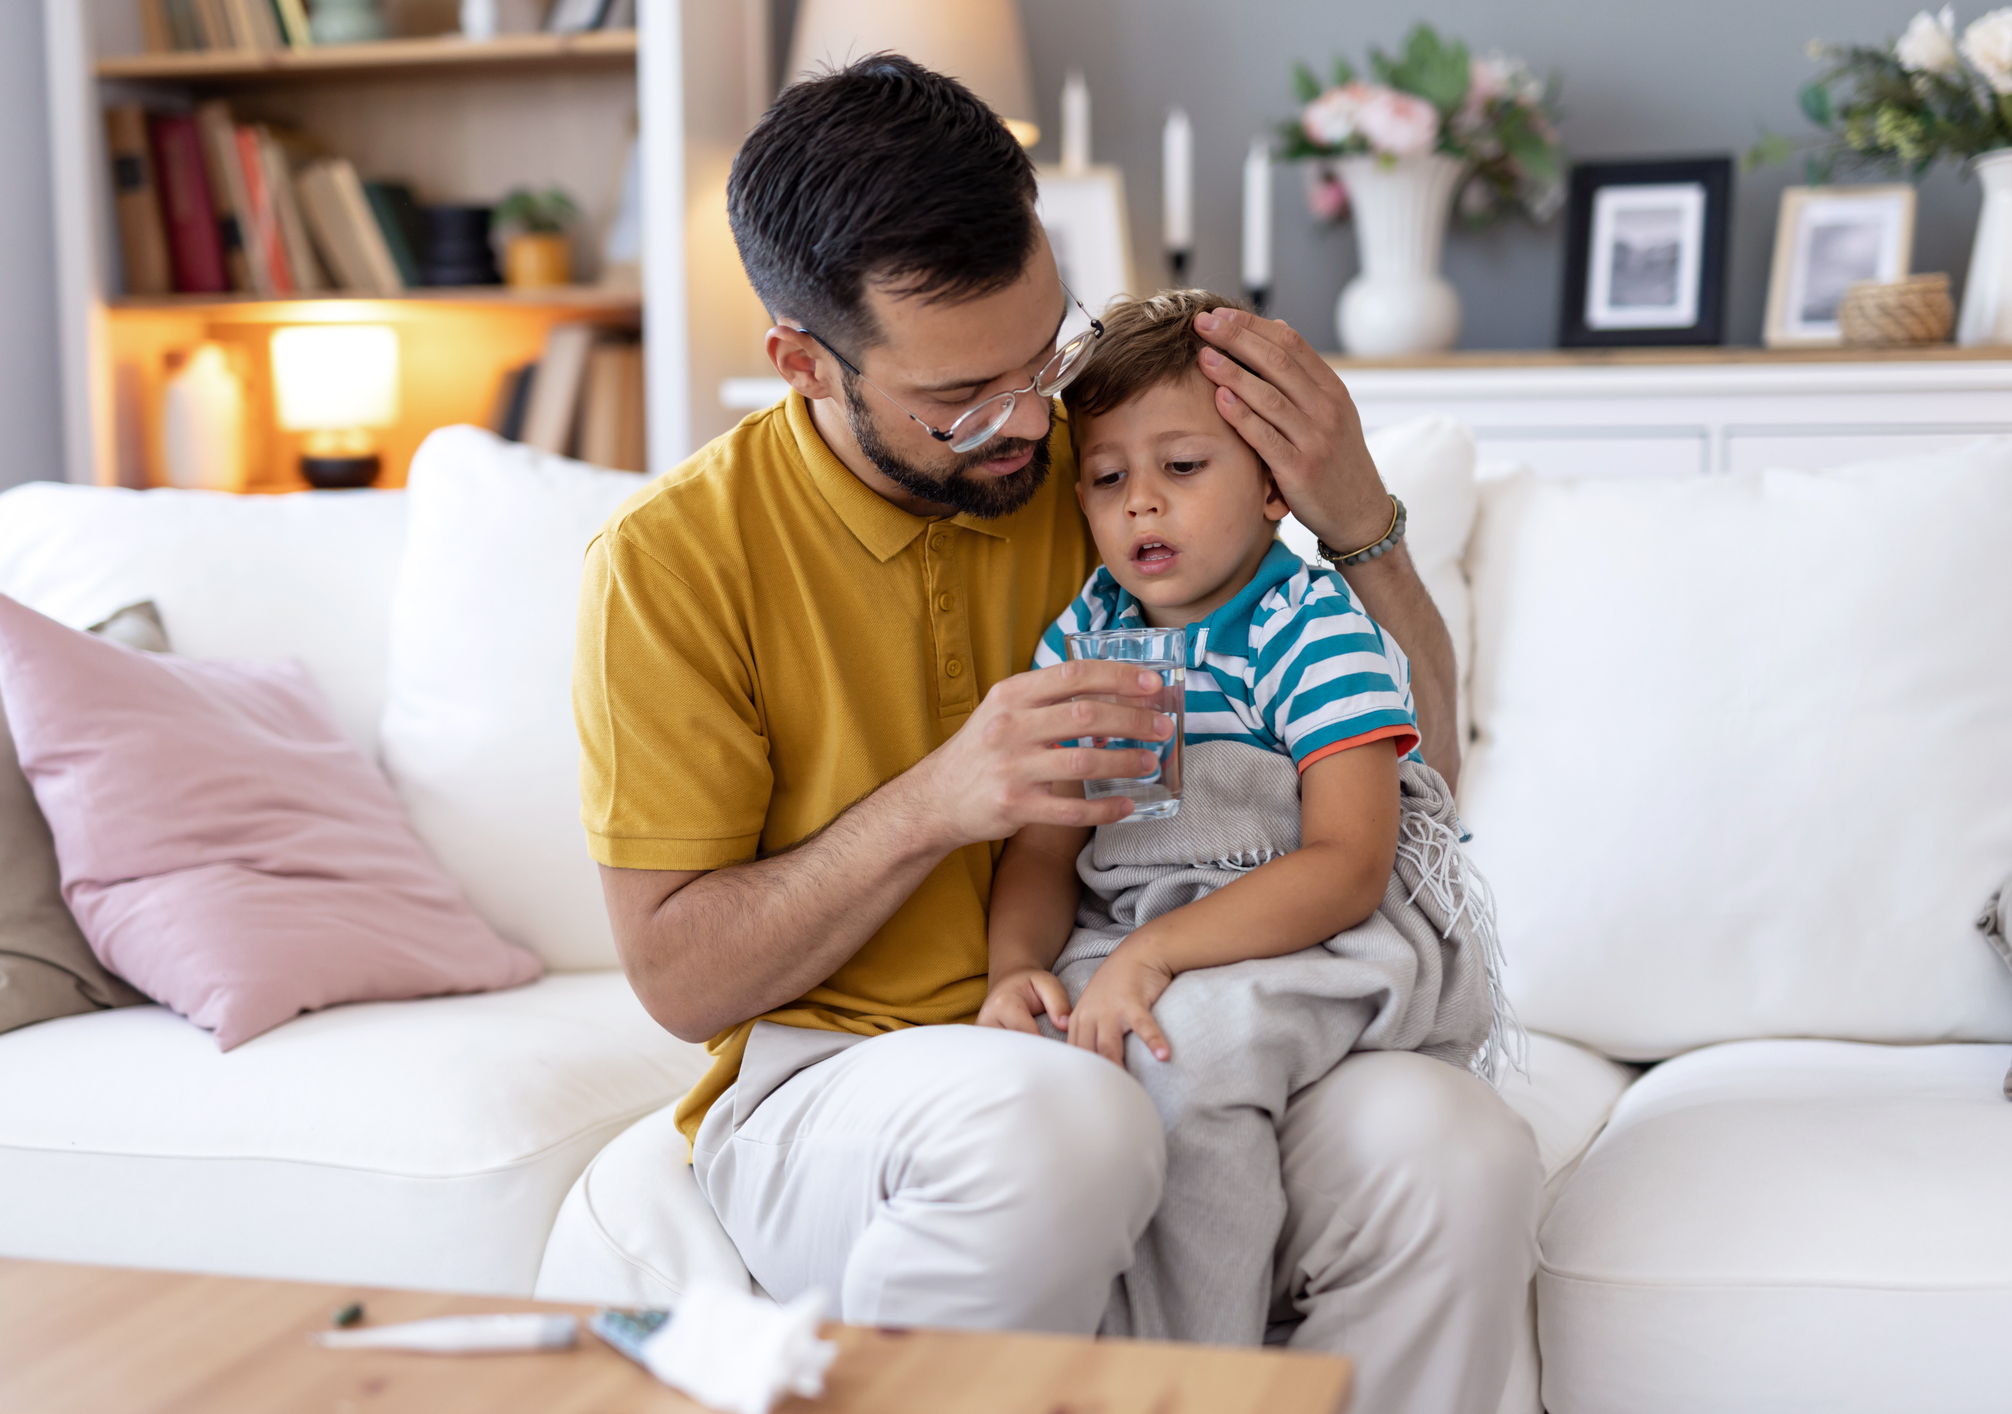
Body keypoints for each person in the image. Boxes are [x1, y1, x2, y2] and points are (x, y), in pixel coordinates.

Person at [574, 55, 1541, 1414]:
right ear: (801, 362)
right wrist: (934, 801)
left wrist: (1358, 517)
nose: (1029, 424)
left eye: (1047, 356)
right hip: (841, 1077)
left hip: (1132, 1014)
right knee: (1058, 1124)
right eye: (964, 398)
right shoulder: (670, 563)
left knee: (1454, 1145)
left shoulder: (1099, 475)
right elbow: (679, 980)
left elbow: (1417, 775)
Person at [979, 288, 1512, 1348]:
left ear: (1273, 486)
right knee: (1053, 1083)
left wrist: (1156, 958)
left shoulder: (1309, 628)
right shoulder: (1082, 632)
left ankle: (1197, 1370)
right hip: (1132, 936)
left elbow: (1348, 864)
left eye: (1181, 468)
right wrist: (1009, 971)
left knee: (1184, 1060)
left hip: (1307, 932)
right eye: (1106, 477)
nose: (1140, 505)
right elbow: (1044, 846)